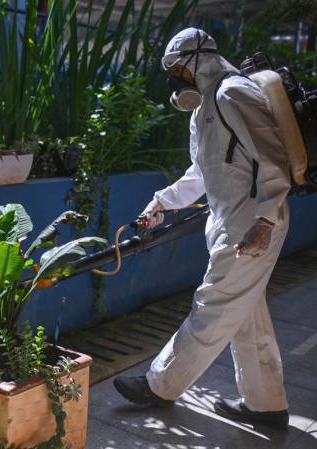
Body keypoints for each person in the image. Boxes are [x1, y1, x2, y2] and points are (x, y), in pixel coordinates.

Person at [113, 28, 291, 429]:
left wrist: (265, 220)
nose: (175, 78)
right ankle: (267, 404)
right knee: (245, 314)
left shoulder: (232, 94)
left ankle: (160, 384)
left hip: (252, 224)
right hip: (230, 222)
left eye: (177, 69)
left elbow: (272, 157)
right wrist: (161, 202)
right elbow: (202, 173)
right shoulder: (204, 108)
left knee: (212, 307)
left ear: (199, 59)